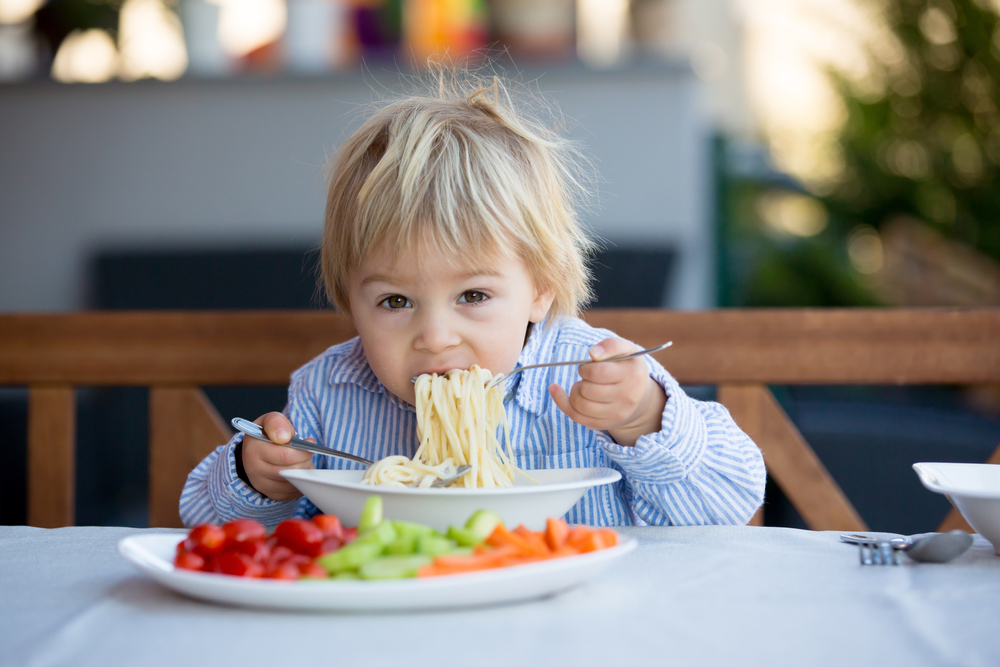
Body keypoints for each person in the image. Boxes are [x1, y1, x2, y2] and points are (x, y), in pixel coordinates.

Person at [180, 66, 766, 528]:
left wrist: (644, 420)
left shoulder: (606, 382)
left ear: (541, 288)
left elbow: (731, 499)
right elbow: (202, 521)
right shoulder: (326, 394)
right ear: (349, 300)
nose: (435, 336)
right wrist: (258, 480)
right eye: (395, 302)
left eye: (474, 294)